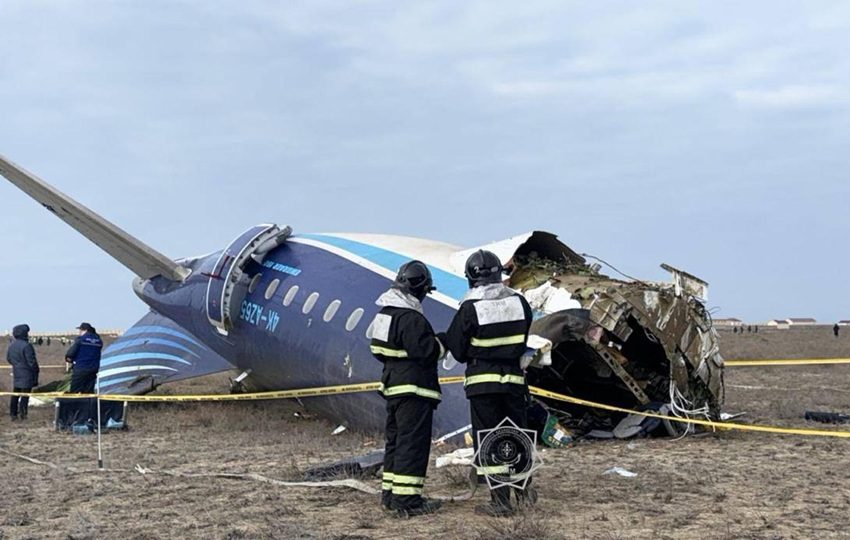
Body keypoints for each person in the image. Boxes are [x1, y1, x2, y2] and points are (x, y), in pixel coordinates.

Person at [445, 250, 535, 517]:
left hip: (484, 385)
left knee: (491, 440)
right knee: (517, 435)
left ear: (471, 278)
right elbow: (523, 339)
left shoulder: (470, 307)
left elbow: (458, 350)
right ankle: (524, 490)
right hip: (514, 383)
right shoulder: (519, 303)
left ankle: (501, 501)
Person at [370, 260, 445, 517]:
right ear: (421, 289)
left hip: (392, 387)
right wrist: (443, 342)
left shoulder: (384, 314)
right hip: (414, 390)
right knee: (412, 444)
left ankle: (390, 496)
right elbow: (426, 352)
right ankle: (407, 501)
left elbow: (377, 350)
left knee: (396, 442)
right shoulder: (411, 318)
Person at [6, 324, 39, 421]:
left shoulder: (12, 345)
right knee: (25, 396)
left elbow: (9, 358)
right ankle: (23, 415)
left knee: (15, 394)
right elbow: (31, 362)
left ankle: (13, 414)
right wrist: (36, 370)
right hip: (27, 374)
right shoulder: (27, 346)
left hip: (17, 372)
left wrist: (17, 365)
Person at [65, 322, 103, 394]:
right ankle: (88, 405)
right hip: (93, 369)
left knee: (74, 392)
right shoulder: (99, 341)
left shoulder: (81, 340)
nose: (79, 332)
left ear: (85, 330)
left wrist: (69, 359)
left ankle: (74, 405)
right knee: (88, 392)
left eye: (80, 330)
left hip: (80, 368)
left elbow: (70, 354)